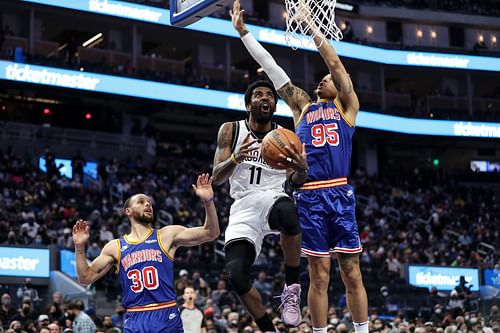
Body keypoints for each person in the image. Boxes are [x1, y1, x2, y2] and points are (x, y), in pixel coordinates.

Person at [230, 1, 368, 333]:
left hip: (338, 192)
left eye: (327, 80)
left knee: (351, 271)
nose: (322, 81)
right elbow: (272, 66)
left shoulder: (348, 106)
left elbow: (334, 63)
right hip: (309, 195)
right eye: (319, 80)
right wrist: (244, 33)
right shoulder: (301, 107)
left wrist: (310, 26)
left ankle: (363, 330)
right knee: (318, 275)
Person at [212, 77, 308, 330]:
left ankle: (292, 289)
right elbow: (216, 178)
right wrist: (234, 158)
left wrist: (302, 170)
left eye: (269, 95)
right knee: (235, 275)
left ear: (275, 106)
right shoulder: (231, 129)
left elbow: (295, 183)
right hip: (242, 205)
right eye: (258, 95)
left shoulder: (285, 136)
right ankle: (268, 329)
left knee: (289, 212)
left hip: (272, 198)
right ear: (248, 105)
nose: (265, 97)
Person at [72, 174, 220, 333]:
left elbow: (211, 233)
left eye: (149, 202)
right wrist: (80, 248)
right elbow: (85, 278)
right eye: (141, 202)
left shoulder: (166, 235)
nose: (148, 204)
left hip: (166, 313)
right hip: (135, 317)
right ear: (128, 211)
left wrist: (208, 201)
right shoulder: (115, 247)